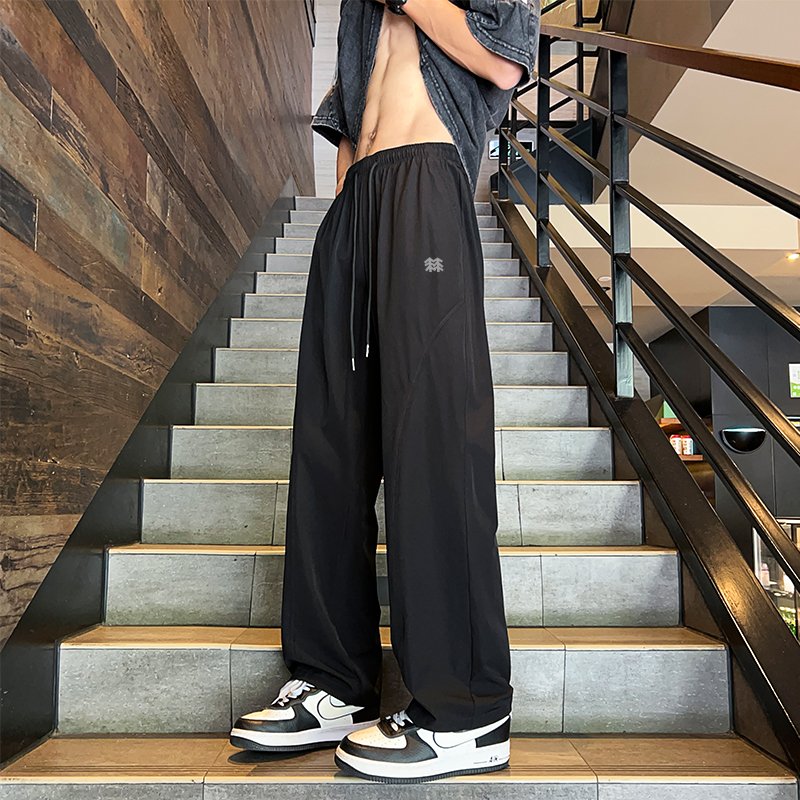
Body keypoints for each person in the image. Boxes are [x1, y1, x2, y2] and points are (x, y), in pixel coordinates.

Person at [229, 0, 540, 783]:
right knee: (330, 443)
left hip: (426, 186)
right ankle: (334, 682)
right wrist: (345, 199)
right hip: (356, 204)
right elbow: (349, 102)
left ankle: (468, 710)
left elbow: (506, 58)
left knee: (432, 440)